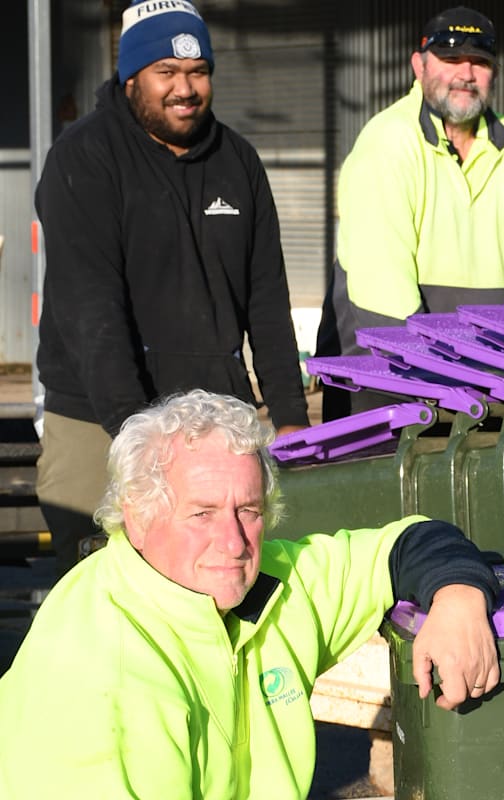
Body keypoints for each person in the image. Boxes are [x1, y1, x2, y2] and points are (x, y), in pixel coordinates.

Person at [0, 389, 500, 798]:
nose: (234, 542)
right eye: (202, 513)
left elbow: (407, 544)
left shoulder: (272, 583)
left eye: (249, 511)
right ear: (138, 514)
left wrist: (458, 597)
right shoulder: (103, 679)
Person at [35, 0, 310, 577]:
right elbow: (92, 312)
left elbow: (266, 299)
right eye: (166, 72)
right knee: (101, 591)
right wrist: (143, 439)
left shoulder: (239, 162)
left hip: (221, 419)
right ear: (131, 77)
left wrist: (288, 417)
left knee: (226, 584)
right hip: (102, 423)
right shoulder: (83, 159)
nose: (184, 88)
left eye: (198, 72)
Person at [328, 5, 504, 412]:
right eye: (450, 60)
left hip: (494, 379)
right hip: (388, 370)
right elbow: (382, 289)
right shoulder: (387, 142)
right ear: (419, 65)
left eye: (479, 62)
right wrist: (439, 379)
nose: (465, 74)